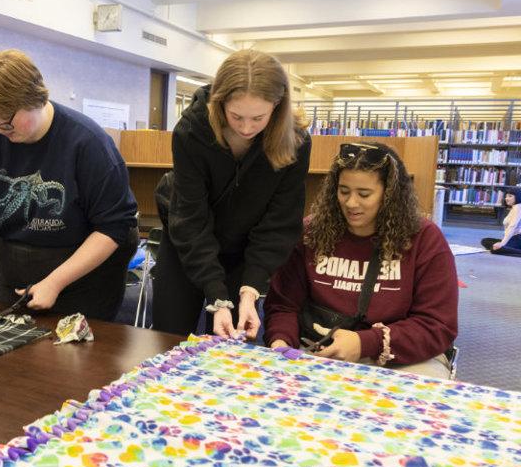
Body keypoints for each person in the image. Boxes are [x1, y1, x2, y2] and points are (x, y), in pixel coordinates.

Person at [0, 49, 138, 325]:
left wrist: (55, 282)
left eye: (6, 120)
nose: (0, 129)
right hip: (15, 275)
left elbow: (114, 227)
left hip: (83, 281)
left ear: (35, 100)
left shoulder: (88, 143)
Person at [152, 49, 311, 338]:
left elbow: (280, 221)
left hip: (246, 250)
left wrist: (251, 290)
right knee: (169, 336)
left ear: (277, 105)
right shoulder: (191, 131)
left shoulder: (295, 141)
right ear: (219, 101)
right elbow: (190, 217)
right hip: (188, 243)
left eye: (258, 118)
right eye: (236, 116)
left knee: (237, 338)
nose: (247, 127)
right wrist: (215, 294)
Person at [264, 142, 458, 379]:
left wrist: (366, 343)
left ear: (389, 194)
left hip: (401, 357)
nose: (351, 203)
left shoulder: (424, 239)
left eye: (364, 194)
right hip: (319, 349)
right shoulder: (310, 233)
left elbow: (437, 325)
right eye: (344, 191)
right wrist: (281, 343)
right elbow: (283, 305)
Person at [480, 185, 521, 256]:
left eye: (510, 196)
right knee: (485, 241)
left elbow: (512, 227)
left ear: (517, 196)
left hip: (518, 238)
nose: (506, 198)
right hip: (513, 237)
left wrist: (503, 243)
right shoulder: (514, 208)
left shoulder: (518, 207)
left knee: (496, 249)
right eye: (506, 196)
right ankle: (507, 247)